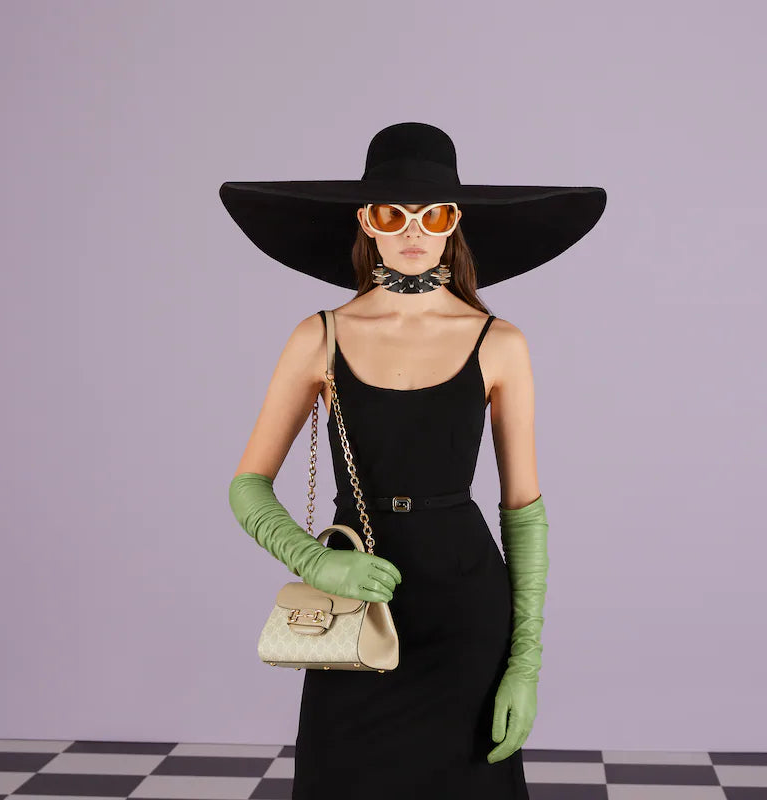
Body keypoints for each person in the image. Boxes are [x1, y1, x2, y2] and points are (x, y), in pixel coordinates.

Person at [222, 122, 607, 799]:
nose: (412, 231)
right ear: (365, 221)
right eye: (390, 213)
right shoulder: (320, 335)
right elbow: (248, 485)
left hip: (465, 609)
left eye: (432, 215)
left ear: (454, 222)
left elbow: (524, 510)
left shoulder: (499, 342)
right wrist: (315, 562)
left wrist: (525, 663)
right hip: (354, 598)